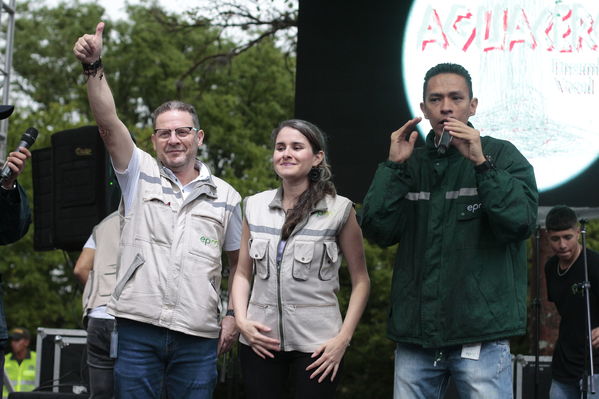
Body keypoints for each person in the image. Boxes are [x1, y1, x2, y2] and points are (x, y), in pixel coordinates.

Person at [73, 22, 242, 398]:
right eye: (164, 133)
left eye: (182, 131)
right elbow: (107, 122)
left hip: (198, 336)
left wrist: (232, 316)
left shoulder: (228, 197)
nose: (174, 139)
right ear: (153, 140)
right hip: (138, 327)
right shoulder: (140, 172)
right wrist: (93, 66)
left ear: (198, 137)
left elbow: (239, 266)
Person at [360, 62, 538, 398]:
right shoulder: (409, 161)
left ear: (472, 106)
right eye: (436, 99)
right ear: (424, 107)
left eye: (456, 98)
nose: (446, 106)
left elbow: (521, 222)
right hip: (416, 335)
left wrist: (482, 165)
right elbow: (377, 230)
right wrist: (393, 167)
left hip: (480, 334)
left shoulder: (501, 155)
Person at [231, 119, 370, 398]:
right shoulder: (253, 206)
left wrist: (342, 340)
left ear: (317, 157)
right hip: (260, 340)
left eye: (297, 147)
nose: (286, 153)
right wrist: (242, 323)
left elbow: (361, 281)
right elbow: (243, 273)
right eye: (280, 147)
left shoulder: (340, 209)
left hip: (319, 347)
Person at [544, 205, 599, 399]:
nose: (562, 245)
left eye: (567, 237)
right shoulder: (550, 267)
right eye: (555, 238)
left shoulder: (593, 264)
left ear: (577, 232)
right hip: (564, 365)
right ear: (548, 235)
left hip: (595, 365)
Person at [73, 211, 120, 399]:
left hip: (99, 317)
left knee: (100, 394)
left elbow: (80, 268)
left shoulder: (103, 225)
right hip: (132, 317)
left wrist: (100, 294)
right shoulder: (153, 216)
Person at [3, 328, 36, 398]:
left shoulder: (37, 359)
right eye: (12, 340)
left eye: (17, 340)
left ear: (26, 342)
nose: (13, 343)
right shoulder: (3, 360)